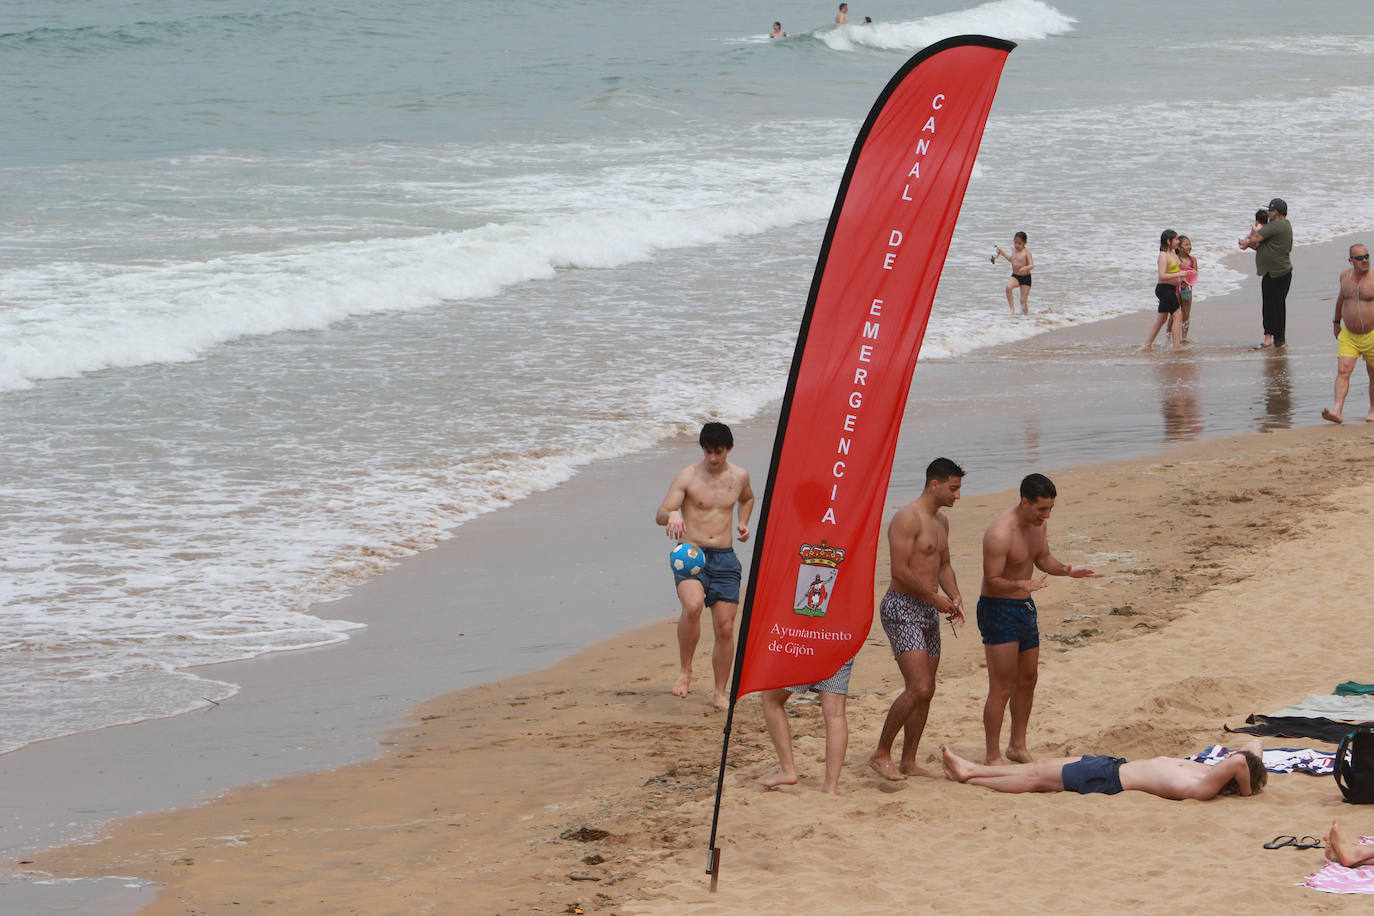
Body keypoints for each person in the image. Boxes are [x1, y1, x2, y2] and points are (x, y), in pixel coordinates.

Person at [977, 474, 1095, 765]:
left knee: (1028, 679)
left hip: (1024, 608)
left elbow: (1042, 558)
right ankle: (992, 755)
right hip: (998, 609)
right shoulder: (1000, 533)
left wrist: (1067, 570)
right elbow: (991, 582)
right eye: (1042, 509)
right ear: (1025, 501)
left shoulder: (1037, 526)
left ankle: (1017, 745)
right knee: (1001, 686)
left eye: (1051, 508)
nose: (1047, 515)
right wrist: (1020, 585)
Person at [868, 458, 967, 781]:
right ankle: (881, 752)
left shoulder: (942, 522)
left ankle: (908, 760)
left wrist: (954, 596)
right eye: (953, 489)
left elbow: (944, 565)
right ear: (935, 485)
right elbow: (899, 572)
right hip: (901, 607)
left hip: (929, 608)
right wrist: (935, 598)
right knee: (918, 685)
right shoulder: (906, 519)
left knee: (928, 689)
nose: (957, 496)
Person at [656, 422, 755, 709]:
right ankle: (685, 672)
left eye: (718, 452)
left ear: (729, 449)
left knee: (725, 628)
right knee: (693, 606)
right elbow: (661, 513)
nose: (713, 458)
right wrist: (672, 514)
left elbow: (748, 498)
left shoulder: (739, 476)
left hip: (725, 556)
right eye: (708, 451)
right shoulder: (688, 476)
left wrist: (743, 522)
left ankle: (719, 692)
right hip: (690, 553)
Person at [941, 738, 1267, 800]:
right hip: (1111, 765)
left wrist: (1249, 791)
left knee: (1035, 779)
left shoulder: (1205, 786)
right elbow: (1253, 747)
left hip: (1107, 779)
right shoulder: (1206, 773)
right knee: (1038, 766)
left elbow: (1240, 761)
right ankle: (971, 768)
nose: (1228, 758)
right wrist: (1254, 765)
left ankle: (970, 775)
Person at [758, 654, 856, 794]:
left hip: (806, 643)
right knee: (836, 715)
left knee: (771, 700)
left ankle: (788, 770)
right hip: (840, 643)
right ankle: (831, 786)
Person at [1322, 244, 1374, 424]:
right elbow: (1341, 299)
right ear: (1351, 261)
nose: (1365, 260)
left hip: (1372, 334)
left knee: (1372, 373)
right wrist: (1336, 322)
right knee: (1343, 369)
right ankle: (1337, 410)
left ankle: (1373, 410)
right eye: (1360, 258)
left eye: (1367, 256)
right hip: (1350, 334)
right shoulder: (1345, 277)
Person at [1240, 197, 1294, 348]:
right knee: (1272, 305)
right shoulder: (1277, 226)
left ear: (1276, 211)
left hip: (1279, 272)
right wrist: (1248, 243)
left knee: (1274, 306)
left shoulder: (1278, 225)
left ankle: (1274, 340)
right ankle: (1275, 339)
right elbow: (1259, 245)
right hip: (1272, 272)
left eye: (1270, 210)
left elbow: (1255, 237)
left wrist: (1249, 237)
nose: (1268, 213)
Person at [1143, 229, 1185, 350]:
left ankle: (1146, 345)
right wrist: (1179, 274)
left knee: (1161, 319)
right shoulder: (1163, 255)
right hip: (1163, 289)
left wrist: (1182, 277)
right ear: (1168, 241)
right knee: (1178, 315)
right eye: (1176, 239)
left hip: (1171, 289)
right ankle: (1176, 346)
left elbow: (1176, 272)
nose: (1178, 241)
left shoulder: (1173, 254)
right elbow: (1162, 275)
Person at [994, 231, 1034, 315]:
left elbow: (1031, 265)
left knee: (1022, 301)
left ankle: (1026, 317)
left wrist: (1025, 268)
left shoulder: (1027, 252)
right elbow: (1011, 259)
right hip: (1015, 276)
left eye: (1019, 243)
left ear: (1025, 243)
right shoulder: (1013, 250)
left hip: (1026, 278)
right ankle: (1012, 308)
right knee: (1008, 287)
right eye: (1015, 243)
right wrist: (1002, 253)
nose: (1016, 245)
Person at [1173, 234, 1199, 343]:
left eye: (1190, 244)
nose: (1189, 247)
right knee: (1174, 314)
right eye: (1186, 244)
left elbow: (1195, 275)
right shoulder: (1175, 259)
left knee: (1186, 314)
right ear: (1178, 247)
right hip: (1175, 289)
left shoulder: (1193, 259)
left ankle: (1184, 337)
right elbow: (1171, 274)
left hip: (1187, 289)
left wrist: (1188, 284)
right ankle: (1170, 336)